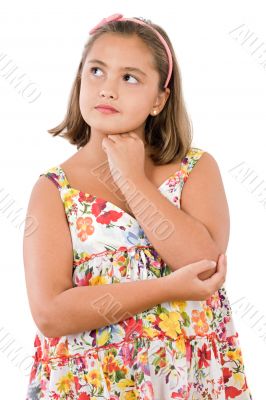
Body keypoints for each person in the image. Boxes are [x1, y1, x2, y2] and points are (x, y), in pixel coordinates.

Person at [23, 13, 252, 400]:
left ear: (160, 99)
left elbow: (203, 264)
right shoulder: (53, 191)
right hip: (92, 385)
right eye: (96, 71)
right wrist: (164, 288)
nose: (107, 89)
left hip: (188, 380)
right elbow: (52, 313)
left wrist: (133, 180)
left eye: (129, 77)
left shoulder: (194, 169)